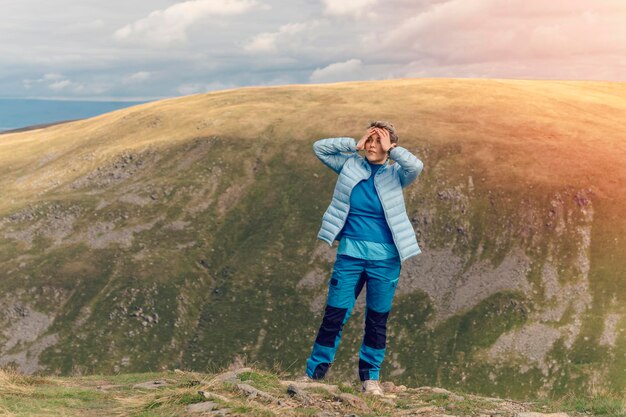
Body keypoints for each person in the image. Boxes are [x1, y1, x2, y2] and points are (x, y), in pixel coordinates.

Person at [300, 121, 424, 396]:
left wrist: (392, 147)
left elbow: (416, 166)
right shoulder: (350, 166)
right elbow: (319, 149)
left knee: (377, 320)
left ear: (389, 147)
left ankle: (371, 380)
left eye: (377, 141)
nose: (371, 145)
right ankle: (313, 375)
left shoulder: (396, 174)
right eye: (369, 140)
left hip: (386, 259)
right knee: (334, 316)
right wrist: (353, 144)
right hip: (350, 255)